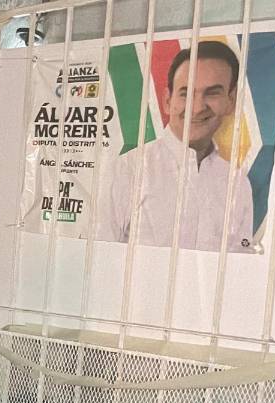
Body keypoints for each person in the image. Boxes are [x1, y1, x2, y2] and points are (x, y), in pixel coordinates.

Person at [100, 41, 254, 252]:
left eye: (212, 93)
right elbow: (98, 257)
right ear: (167, 101)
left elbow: (240, 261)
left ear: (231, 101)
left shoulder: (237, 184)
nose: (197, 108)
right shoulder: (127, 170)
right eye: (186, 93)